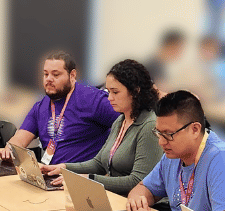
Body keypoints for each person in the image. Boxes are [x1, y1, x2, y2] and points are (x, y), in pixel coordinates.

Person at [40, 59, 162, 196]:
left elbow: (138, 181)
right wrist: (64, 167)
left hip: (137, 204)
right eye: (108, 91)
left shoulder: (149, 126)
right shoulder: (120, 120)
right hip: (115, 197)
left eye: (115, 92)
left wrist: (88, 179)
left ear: (135, 92)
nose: (109, 98)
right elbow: (99, 163)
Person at [0, 51, 119, 165]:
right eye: (46, 74)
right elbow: (20, 139)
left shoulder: (93, 99)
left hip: (80, 179)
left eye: (55, 75)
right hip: (50, 176)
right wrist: (10, 149)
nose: (49, 79)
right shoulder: (40, 106)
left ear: (72, 75)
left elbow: (131, 124)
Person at [144, 29, 186, 95]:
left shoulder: (159, 65)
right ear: (172, 46)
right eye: (180, 48)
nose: (181, 53)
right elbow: (162, 93)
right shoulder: (153, 66)